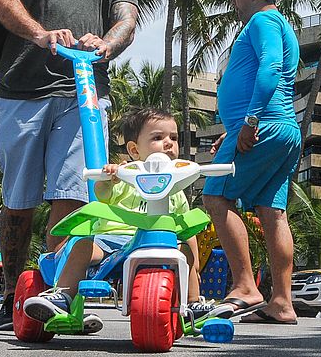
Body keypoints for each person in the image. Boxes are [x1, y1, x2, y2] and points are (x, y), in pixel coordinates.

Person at [0, 0, 139, 329]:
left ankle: (59, 297)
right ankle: (12, 292)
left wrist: (108, 44)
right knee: (19, 197)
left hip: (85, 94)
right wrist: (41, 36)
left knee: (73, 193)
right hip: (22, 89)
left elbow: (127, 19)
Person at [22, 107, 213, 329]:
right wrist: (110, 179)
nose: (169, 143)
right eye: (158, 138)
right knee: (82, 245)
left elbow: (185, 227)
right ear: (134, 150)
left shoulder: (177, 189)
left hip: (158, 240)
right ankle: (63, 296)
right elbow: (102, 195)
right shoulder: (128, 176)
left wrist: (194, 266)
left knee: (186, 251)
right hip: (111, 241)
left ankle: (192, 304)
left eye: (174, 137)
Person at [202, 0, 302, 325]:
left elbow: (271, 68)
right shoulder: (279, 24)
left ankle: (245, 286)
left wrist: (250, 122)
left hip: (264, 127)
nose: (233, 0)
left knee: (215, 197)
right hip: (282, 130)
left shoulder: (262, 22)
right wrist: (235, 128)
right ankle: (282, 303)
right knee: (272, 213)